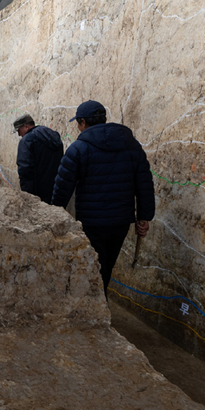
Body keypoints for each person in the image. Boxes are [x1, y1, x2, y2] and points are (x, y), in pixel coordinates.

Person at [51, 100, 155, 297]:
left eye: (78, 124)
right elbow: (144, 183)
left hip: (92, 222)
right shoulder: (132, 146)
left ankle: (94, 309)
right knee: (107, 265)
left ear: (83, 122)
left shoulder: (78, 148)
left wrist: (54, 212)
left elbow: (63, 184)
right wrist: (144, 217)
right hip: (121, 220)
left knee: (92, 265)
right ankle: (101, 302)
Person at [13, 114, 64, 204]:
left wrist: (27, 196)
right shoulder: (53, 136)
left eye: (19, 130)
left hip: (38, 192)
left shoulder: (27, 141)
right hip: (56, 189)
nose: (19, 134)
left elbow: (25, 170)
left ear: (26, 126)